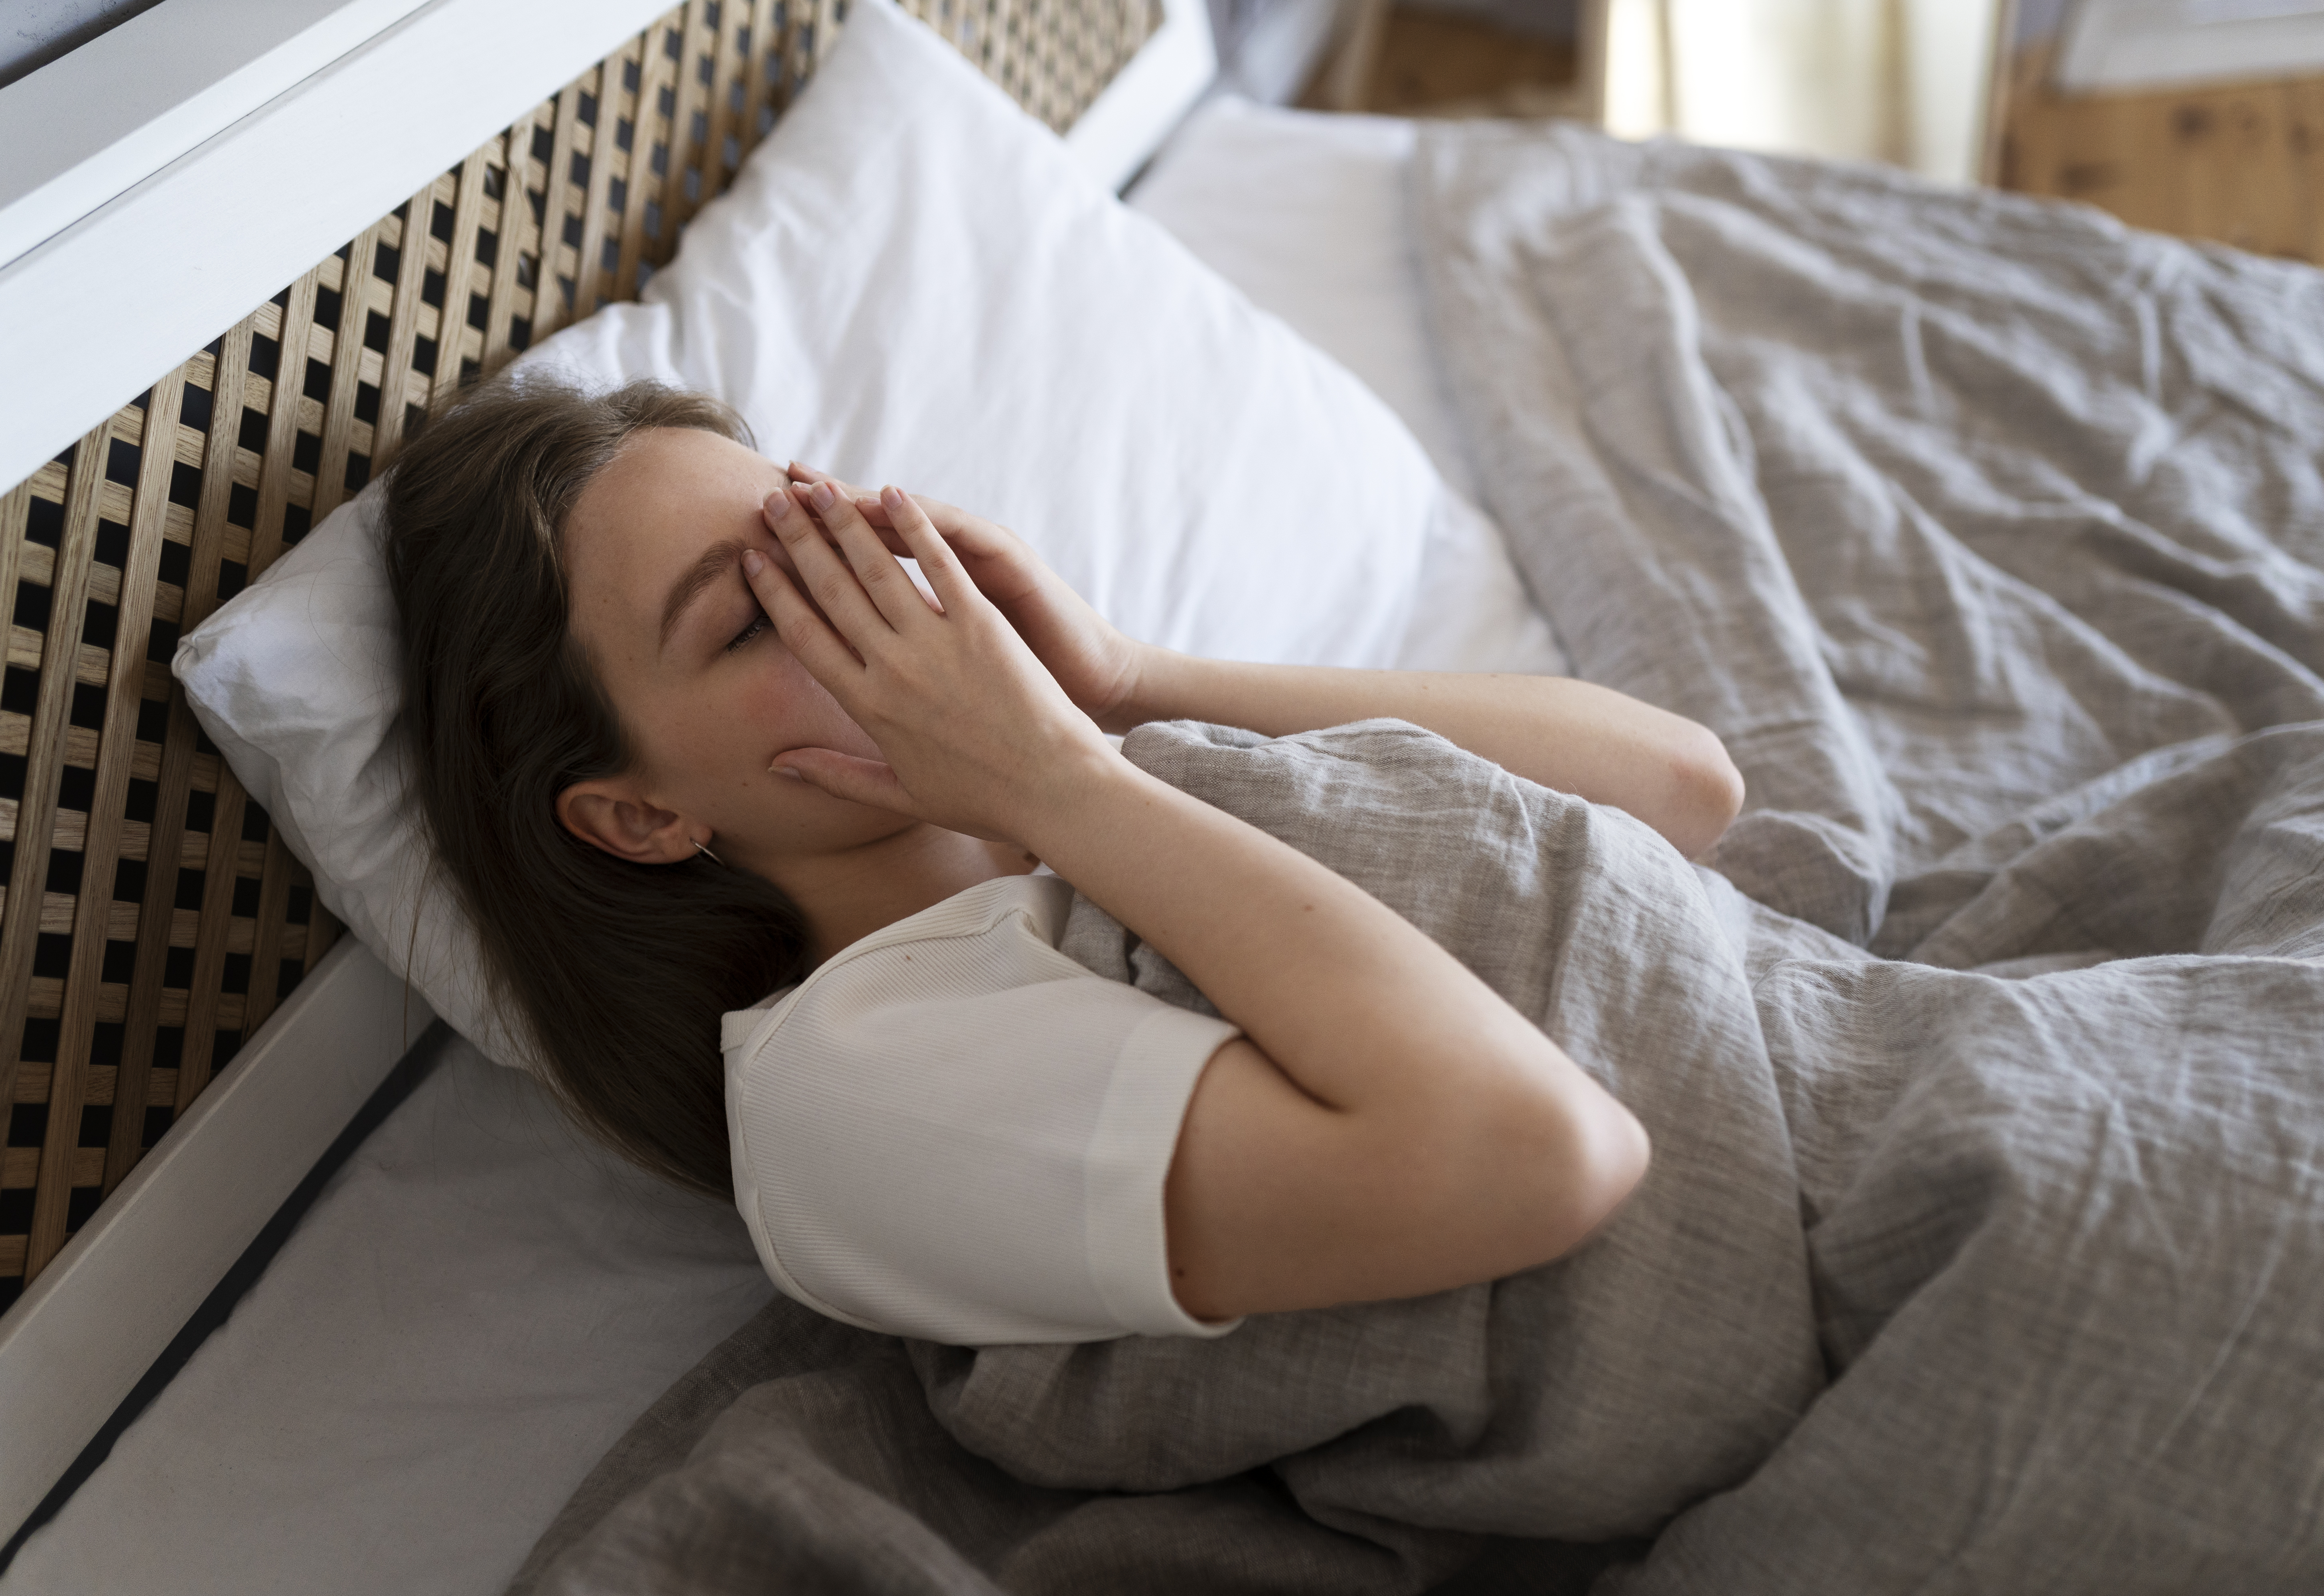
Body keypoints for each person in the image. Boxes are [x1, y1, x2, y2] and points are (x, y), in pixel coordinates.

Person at [383, 377, 1744, 1338]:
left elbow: (1680, 789)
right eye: (755, 618)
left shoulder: (1107, 787)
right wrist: (1061, 779)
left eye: (840, 545)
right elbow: (1536, 1159)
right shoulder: (852, 1082)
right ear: (640, 816)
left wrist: (1129, 684)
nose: (865, 612)